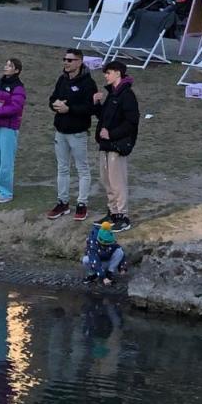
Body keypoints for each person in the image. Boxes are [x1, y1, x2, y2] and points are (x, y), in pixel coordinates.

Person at [47, 49, 99, 222]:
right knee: (62, 167)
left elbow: (90, 108)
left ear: (79, 62)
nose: (66, 62)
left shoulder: (88, 83)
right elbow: (52, 98)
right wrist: (55, 104)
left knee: (82, 168)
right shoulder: (62, 79)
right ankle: (62, 202)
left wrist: (70, 109)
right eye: (65, 59)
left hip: (77, 133)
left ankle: (82, 203)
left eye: (70, 60)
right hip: (60, 131)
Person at [95, 60, 138, 233]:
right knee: (106, 179)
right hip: (106, 144)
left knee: (117, 181)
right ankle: (112, 213)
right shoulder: (113, 94)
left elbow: (132, 121)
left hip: (117, 145)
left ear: (118, 73)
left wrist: (112, 134)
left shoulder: (127, 95)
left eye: (108, 72)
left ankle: (123, 216)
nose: (106, 75)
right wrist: (96, 104)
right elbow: (104, 117)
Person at [0, 58, 26, 204]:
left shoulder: (18, 87)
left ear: (17, 70)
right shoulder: (0, 82)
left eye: (10, 65)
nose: (6, 67)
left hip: (9, 127)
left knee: (6, 161)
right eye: (6, 64)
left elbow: (15, 108)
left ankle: (5, 192)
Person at [82, 221, 126, 286]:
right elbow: (95, 261)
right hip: (96, 263)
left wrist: (122, 267)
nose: (107, 246)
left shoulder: (110, 239)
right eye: (105, 245)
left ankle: (109, 273)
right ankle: (93, 275)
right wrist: (103, 277)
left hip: (108, 262)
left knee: (119, 252)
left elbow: (119, 249)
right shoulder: (92, 243)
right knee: (85, 260)